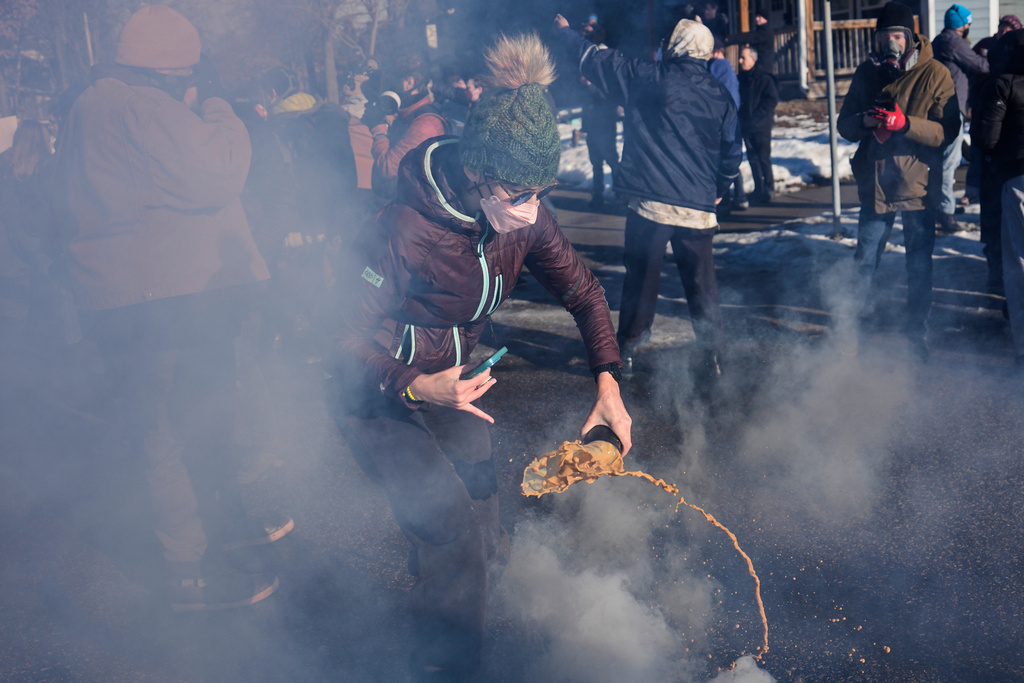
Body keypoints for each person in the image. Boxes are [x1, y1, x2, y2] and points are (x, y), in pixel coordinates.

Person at [329, 33, 631, 681]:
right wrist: (415, 387)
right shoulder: (403, 231)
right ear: (478, 177)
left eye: (539, 191)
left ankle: (454, 602)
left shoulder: (523, 213)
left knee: (485, 510)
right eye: (520, 194)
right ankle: (446, 664)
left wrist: (608, 381)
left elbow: (582, 288)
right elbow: (338, 338)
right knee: (450, 531)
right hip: (374, 391)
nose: (532, 211)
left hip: (452, 377)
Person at [55, 5, 288, 610]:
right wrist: (216, 107)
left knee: (162, 425)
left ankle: (204, 545)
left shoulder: (87, 107)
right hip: (167, 297)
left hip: (116, 297)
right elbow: (220, 171)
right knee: (187, 425)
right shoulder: (142, 104)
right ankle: (195, 567)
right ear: (170, 71)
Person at [555, 14, 741, 383]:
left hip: (651, 202)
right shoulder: (719, 94)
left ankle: (628, 349)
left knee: (642, 278)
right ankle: (714, 354)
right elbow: (732, 151)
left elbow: (595, 59)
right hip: (698, 207)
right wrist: (718, 189)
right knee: (702, 283)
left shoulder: (649, 77)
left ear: (674, 48)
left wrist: (565, 33)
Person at [837, 1, 959, 361]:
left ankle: (914, 337)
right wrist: (867, 122)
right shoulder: (867, 72)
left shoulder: (935, 72)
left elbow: (948, 130)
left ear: (910, 38)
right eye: (882, 37)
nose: (889, 44)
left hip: (918, 188)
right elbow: (844, 125)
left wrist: (905, 124)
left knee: (918, 266)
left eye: (895, 36)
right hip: (875, 186)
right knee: (864, 263)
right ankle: (856, 337)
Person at [975, 29, 1024, 367]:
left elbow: (985, 139)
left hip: (1018, 179)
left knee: (1019, 265)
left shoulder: (1001, 83)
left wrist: (994, 162)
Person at [931, 4, 989, 234]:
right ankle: (945, 212)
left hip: (940, 108)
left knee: (941, 160)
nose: (969, 28)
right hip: (950, 108)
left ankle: (942, 205)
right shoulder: (953, 42)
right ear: (962, 25)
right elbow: (980, 65)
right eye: (968, 24)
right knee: (949, 161)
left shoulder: (938, 40)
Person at [364, 53, 449, 199]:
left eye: (393, 80)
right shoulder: (409, 114)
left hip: (416, 209)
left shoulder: (425, 123)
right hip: (403, 201)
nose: (390, 85)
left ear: (409, 82)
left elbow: (388, 168)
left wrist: (379, 131)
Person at [580, 25, 621, 208]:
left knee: (612, 161)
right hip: (593, 127)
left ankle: (621, 193)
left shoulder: (608, 80)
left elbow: (606, 99)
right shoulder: (591, 79)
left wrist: (591, 85)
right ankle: (597, 195)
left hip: (606, 126)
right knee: (596, 164)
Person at [738, 45, 778, 206]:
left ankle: (769, 188)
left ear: (753, 59)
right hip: (746, 126)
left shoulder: (764, 78)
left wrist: (757, 118)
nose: (740, 61)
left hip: (761, 126)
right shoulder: (741, 78)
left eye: (743, 58)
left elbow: (771, 100)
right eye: (740, 58)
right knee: (752, 159)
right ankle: (758, 188)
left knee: (763, 158)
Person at [709, 41, 746, 213]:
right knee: (731, 157)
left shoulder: (719, 65)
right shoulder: (727, 67)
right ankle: (739, 197)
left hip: (723, 117)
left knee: (725, 158)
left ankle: (728, 200)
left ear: (715, 51)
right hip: (731, 115)